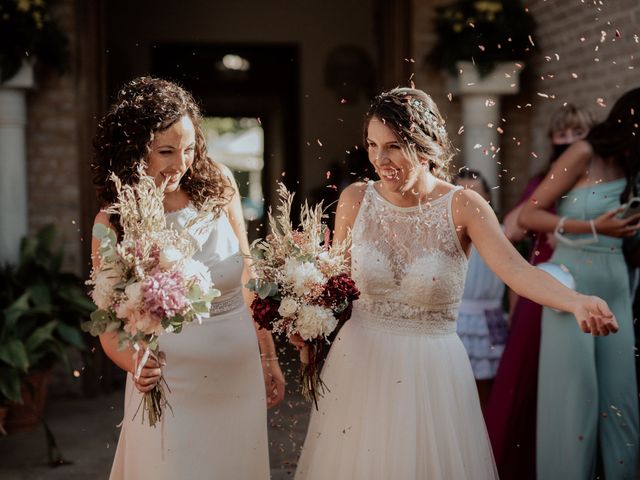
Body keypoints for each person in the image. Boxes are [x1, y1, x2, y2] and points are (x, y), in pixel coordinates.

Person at [292, 87, 618, 480]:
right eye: (372, 145)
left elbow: (516, 271)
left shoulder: (464, 206)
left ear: (425, 145)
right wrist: (305, 319)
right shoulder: (355, 199)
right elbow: (335, 286)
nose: (380, 159)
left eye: (394, 146)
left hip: (431, 374)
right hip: (358, 365)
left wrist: (575, 301)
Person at [90, 77, 285, 480]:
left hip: (237, 375)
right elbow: (107, 324)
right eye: (166, 151)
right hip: (169, 382)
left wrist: (267, 356)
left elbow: (247, 275)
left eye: (190, 148)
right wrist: (135, 365)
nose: (181, 163)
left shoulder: (220, 183)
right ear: (133, 149)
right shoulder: (112, 222)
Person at [520, 88, 640, 480]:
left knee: (621, 401)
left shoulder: (633, 166)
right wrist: (592, 226)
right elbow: (528, 215)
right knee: (576, 400)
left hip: (617, 283)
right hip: (571, 284)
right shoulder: (583, 153)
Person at [485, 104, 595, 480]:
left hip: (592, 279)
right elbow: (511, 227)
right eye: (562, 134)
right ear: (552, 139)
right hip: (548, 280)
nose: (569, 141)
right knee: (525, 370)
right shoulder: (542, 180)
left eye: (577, 133)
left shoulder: (600, 177)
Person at [454, 168, 507, 410]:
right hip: (457, 319)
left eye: (477, 194)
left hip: (490, 320)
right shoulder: (448, 234)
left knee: (487, 391)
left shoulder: (503, 233)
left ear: (488, 198)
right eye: (464, 194)